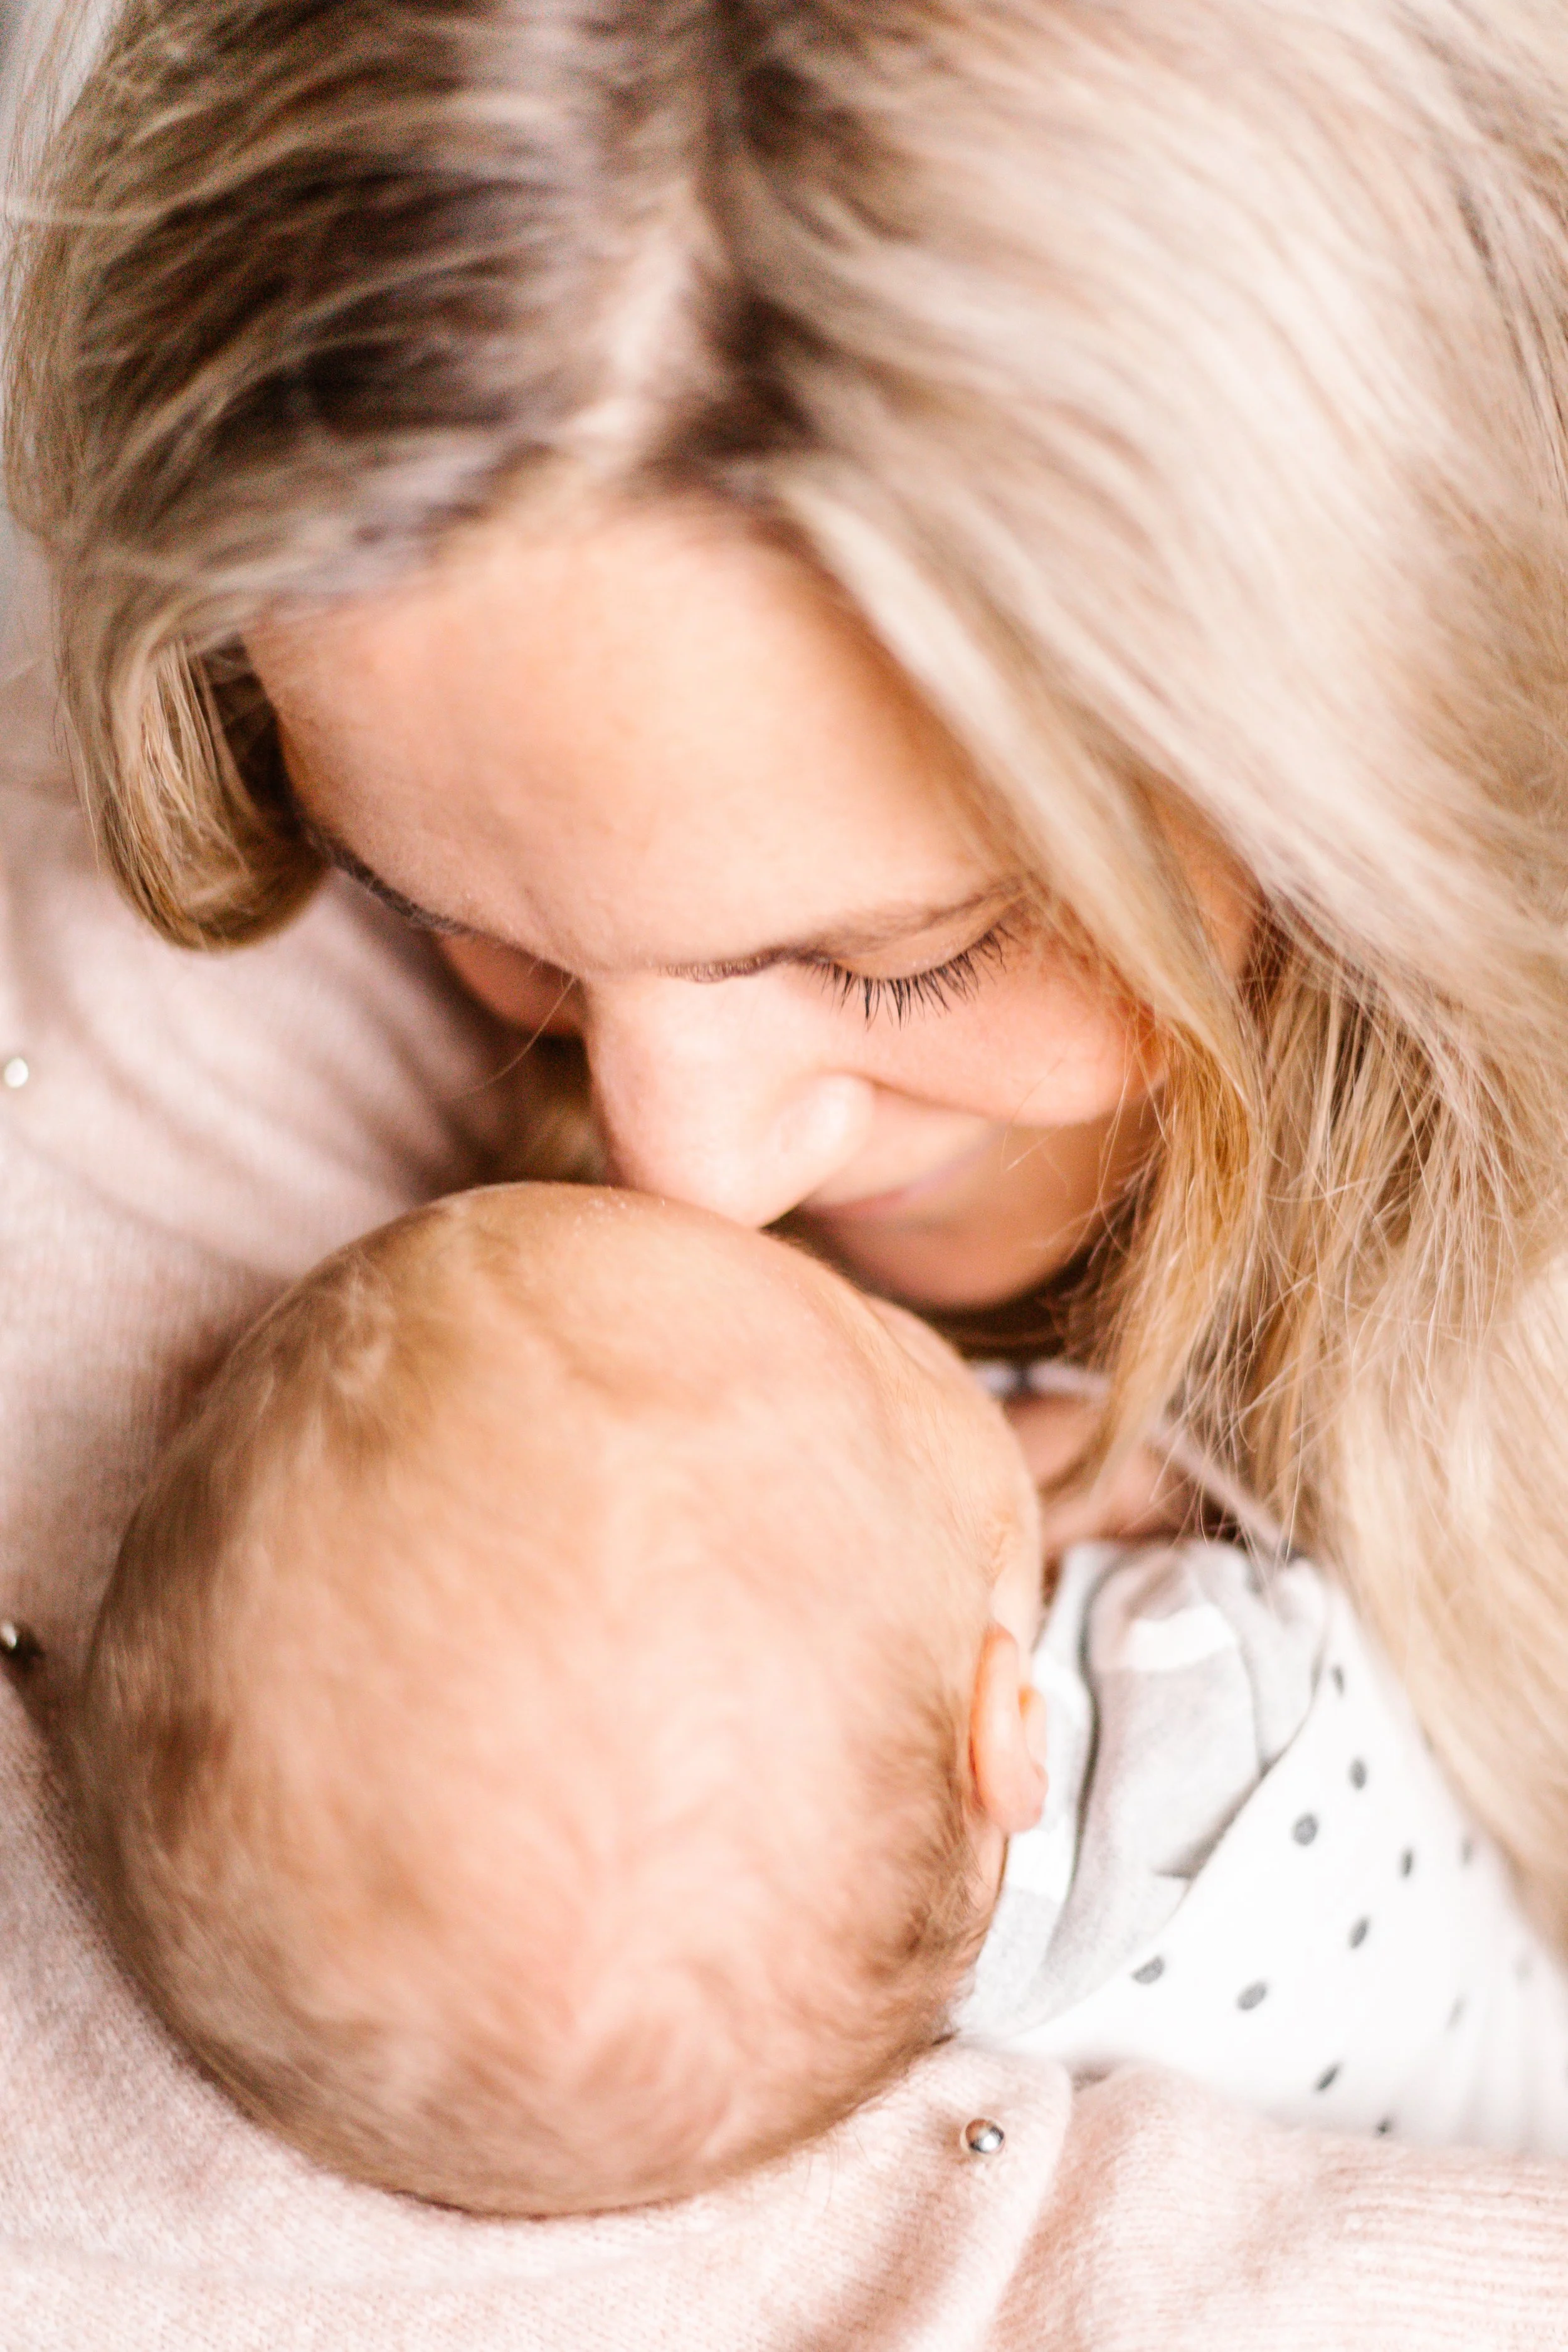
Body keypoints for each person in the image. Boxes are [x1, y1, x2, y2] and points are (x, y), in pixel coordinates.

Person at [5, 0, 1568, 2338]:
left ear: (1364, 751)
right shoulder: (175, 928)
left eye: (908, 958)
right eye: (484, 928)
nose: (680, 1170)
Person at [73, 1183, 1568, 2220]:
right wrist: (1101, 1481)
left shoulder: (839, 2020)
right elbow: (1267, 1553)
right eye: (878, 1342)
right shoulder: (1199, 1711)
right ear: (1008, 1727)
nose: (879, 1302)